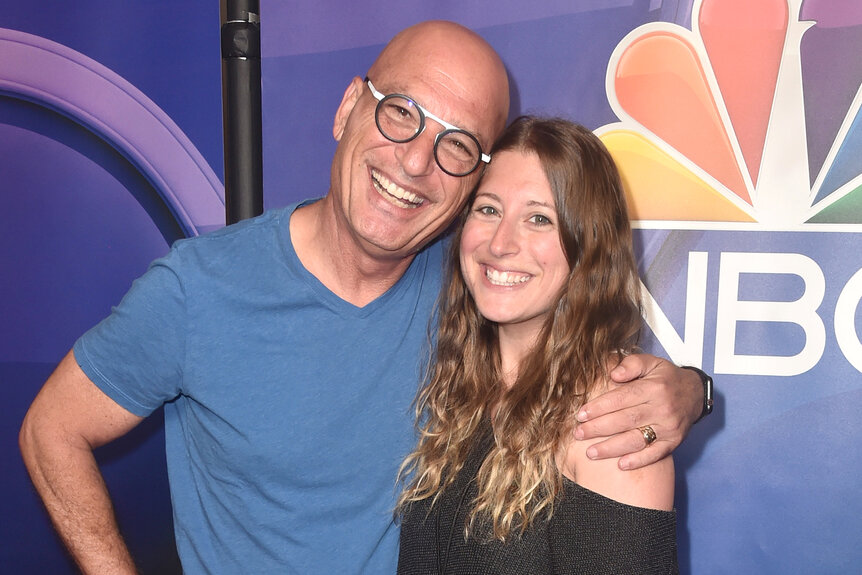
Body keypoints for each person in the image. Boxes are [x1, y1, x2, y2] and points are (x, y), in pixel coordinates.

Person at [19, 21, 706, 574]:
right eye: (401, 113)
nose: (415, 161)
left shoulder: (471, 284)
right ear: (350, 106)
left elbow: (571, 349)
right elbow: (50, 428)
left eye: (457, 145)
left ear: (471, 182)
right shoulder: (199, 289)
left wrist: (689, 388)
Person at [397, 116, 678, 574]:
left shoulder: (609, 420)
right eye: (488, 209)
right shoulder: (462, 390)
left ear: (587, 247)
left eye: (539, 218)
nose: (501, 243)